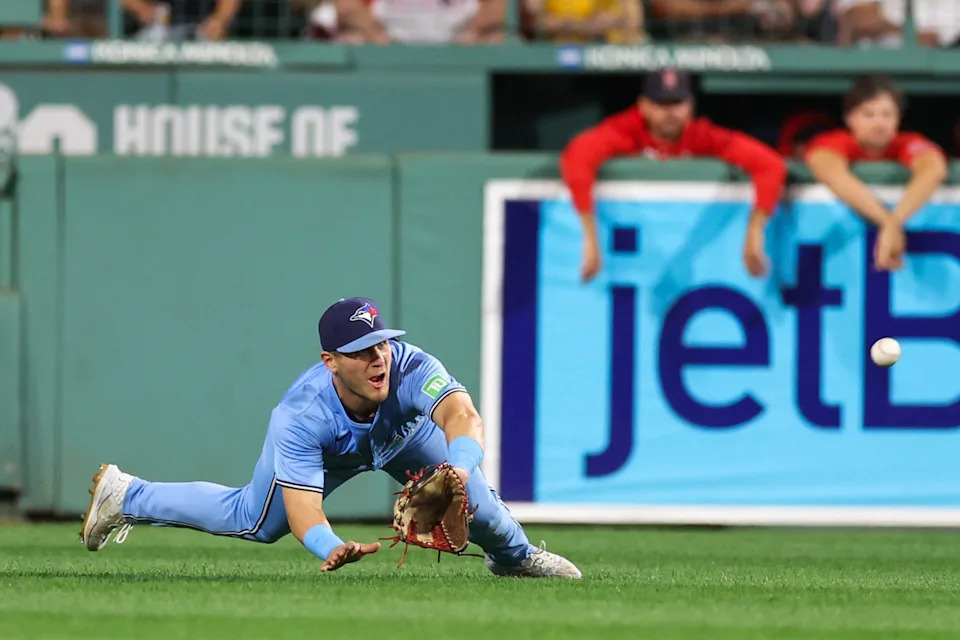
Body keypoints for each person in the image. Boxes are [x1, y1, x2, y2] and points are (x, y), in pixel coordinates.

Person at [80, 297, 581, 578]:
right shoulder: (299, 416)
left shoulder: (410, 367)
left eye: (381, 343)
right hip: (333, 448)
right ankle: (128, 495)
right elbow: (303, 512)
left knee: (480, 502)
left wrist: (460, 468)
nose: (378, 357)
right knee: (254, 521)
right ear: (331, 361)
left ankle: (516, 559)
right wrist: (329, 546)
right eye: (362, 351)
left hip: (402, 438)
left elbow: (462, 415)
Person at [560, 68, 788, 283]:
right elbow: (577, 156)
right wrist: (590, 236)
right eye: (661, 104)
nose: (670, 113)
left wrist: (755, 230)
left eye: (677, 103)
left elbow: (770, 165)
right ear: (643, 106)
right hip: (631, 257)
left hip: (694, 264)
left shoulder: (700, 136)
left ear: (690, 105)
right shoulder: (626, 131)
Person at [804, 75, 948, 271]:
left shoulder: (906, 142)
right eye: (869, 114)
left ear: (898, 118)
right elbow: (828, 170)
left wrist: (895, 221)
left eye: (887, 115)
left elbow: (934, 168)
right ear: (849, 118)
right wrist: (886, 221)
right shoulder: (834, 142)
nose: (879, 123)